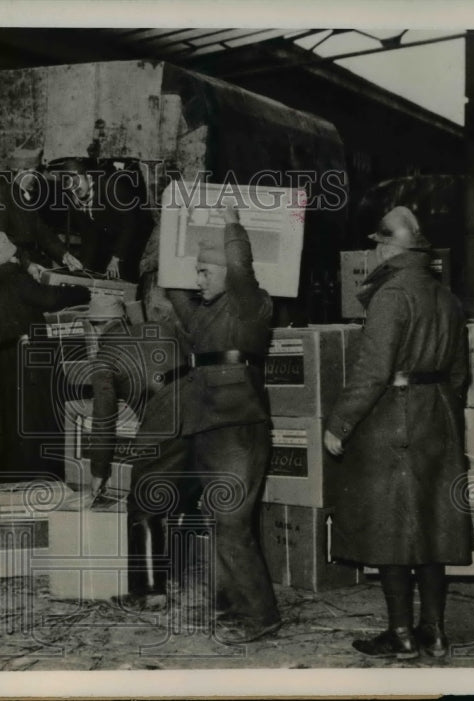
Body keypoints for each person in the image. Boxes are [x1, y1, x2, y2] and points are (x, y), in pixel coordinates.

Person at [323, 205, 472, 660]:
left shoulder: (391, 295)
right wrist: (439, 410)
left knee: (391, 529)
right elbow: (460, 376)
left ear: (387, 247)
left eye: (377, 245)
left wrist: (340, 424)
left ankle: (402, 635)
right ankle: (436, 633)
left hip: (393, 421)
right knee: (431, 526)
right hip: (438, 419)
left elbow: (372, 371)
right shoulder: (447, 298)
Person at [165, 204, 281, 645]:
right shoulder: (206, 314)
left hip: (238, 428)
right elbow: (175, 293)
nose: (199, 280)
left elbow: (240, 266)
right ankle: (232, 605)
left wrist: (232, 224)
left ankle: (261, 614)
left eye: (205, 272)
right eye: (196, 272)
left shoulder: (250, 305)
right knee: (216, 519)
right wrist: (167, 233)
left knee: (231, 522)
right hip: (208, 425)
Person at [88, 274, 199, 610]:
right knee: (185, 493)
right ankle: (179, 574)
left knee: (143, 504)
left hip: (163, 421)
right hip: (203, 411)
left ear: (95, 328)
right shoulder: (160, 329)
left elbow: (103, 421)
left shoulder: (104, 358)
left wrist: (99, 470)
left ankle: (150, 591)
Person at [0, 232, 91, 482]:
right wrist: (83, 291)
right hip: (29, 363)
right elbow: (50, 299)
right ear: (13, 257)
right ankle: (43, 479)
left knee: (15, 427)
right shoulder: (15, 278)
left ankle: (15, 481)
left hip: (8, 364)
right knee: (38, 420)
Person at [0, 148, 83, 281]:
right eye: (33, 173)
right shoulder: (1, 197)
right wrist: (27, 264)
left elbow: (41, 232)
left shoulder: (24, 196)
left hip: (28, 266)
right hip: (12, 271)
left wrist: (64, 255)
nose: (37, 178)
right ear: (20, 171)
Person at [60, 158, 151, 282]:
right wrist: (84, 268)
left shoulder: (110, 188)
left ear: (87, 176)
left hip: (137, 236)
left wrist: (117, 258)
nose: (75, 188)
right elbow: (89, 236)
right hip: (111, 237)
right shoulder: (76, 199)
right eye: (69, 184)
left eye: (76, 181)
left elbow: (130, 224)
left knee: (127, 277)